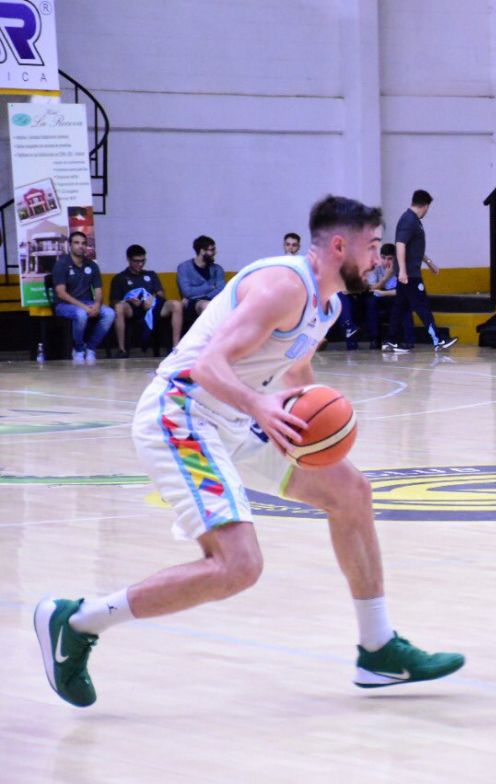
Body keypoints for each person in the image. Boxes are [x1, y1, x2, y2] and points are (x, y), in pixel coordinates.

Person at [33, 195, 465, 708]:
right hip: (182, 413)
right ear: (339, 245)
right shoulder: (284, 285)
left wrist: (311, 422)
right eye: (372, 247)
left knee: (351, 492)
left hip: (236, 418)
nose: (379, 259)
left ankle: (378, 649)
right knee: (237, 566)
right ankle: (77, 622)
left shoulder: (327, 303)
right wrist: (261, 406)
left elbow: (295, 370)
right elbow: (208, 365)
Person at [385, 189, 458, 352]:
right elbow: (400, 245)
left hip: (409, 272)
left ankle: (391, 340)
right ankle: (438, 339)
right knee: (422, 306)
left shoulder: (413, 221)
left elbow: (414, 248)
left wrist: (429, 262)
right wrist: (403, 270)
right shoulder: (408, 220)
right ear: (425, 206)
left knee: (399, 307)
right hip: (410, 275)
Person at [51, 231, 115, 364]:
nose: (81, 246)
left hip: (88, 302)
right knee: (81, 314)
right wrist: (84, 307)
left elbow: (98, 291)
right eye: (77, 243)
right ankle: (79, 349)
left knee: (110, 313)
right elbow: (61, 293)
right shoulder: (61, 264)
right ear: (70, 245)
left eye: (83, 243)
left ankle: (90, 348)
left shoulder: (92, 265)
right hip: (64, 305)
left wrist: (97, 304)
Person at [110, 244, 184, 357]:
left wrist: (153, 299)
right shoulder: (119, 278)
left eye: (143, 261)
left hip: (153, 306)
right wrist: (128, 300)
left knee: (176, 304)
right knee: (119, 307)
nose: (140, 264)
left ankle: (175, 348)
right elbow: (114, 301)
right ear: (129, 260)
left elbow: (161, 294)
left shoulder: (151, 275)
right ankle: (121, 349)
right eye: (136, 261)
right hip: (131, 308)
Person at [364, 243, 411, 350]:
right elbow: (372, 288)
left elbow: (402, 291)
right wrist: (386, 277)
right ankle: (374, 339)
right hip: (380, 294)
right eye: (383, 258)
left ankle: (398, 339)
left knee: (401, 302)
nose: (386, 262)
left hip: (394, 294)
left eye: (390, 259)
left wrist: (384, 292)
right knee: (370, 302)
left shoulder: (401, 268)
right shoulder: (375, 266)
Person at [177, 235, 226, 317]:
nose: (215, 252)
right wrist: (211, 287)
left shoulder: (218, 269)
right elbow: (187, 292)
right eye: (212, 250)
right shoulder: (184, 267)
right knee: (206, 305)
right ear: (202, 251)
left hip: (214, 300)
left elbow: (221, 289)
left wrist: (204, 296)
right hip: (193, 304)